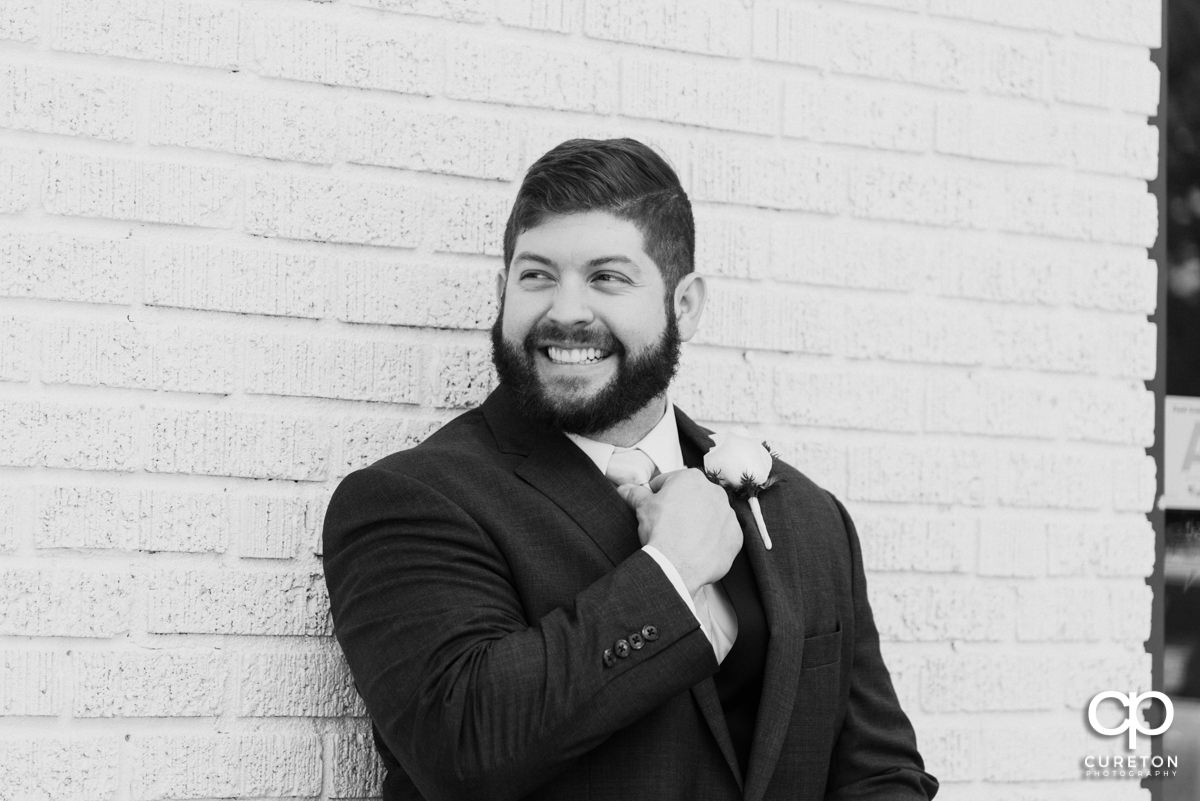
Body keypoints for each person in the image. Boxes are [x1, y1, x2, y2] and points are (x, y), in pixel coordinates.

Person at [322, 138, 938, 801]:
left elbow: (879, 772)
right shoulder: (409, 501)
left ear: (685, 305)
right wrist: (672, 572)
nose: (565, 310)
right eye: (537, 276)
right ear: (502, 294)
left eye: (607, 277)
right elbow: (465, 748)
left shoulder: (808, 517)